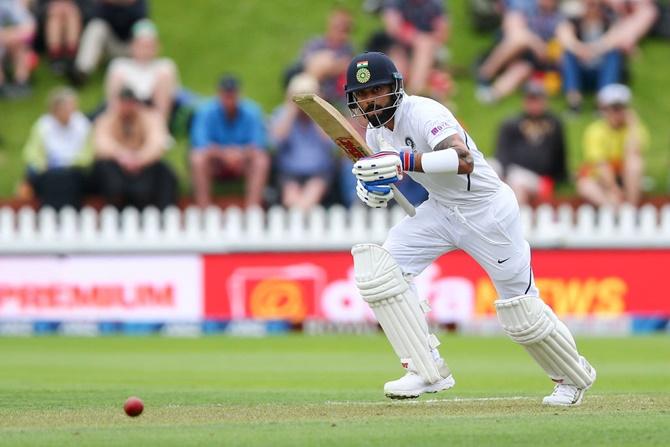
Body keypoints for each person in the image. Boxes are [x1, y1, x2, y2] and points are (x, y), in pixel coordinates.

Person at [345, 51, 596, 405]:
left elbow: (461, 161)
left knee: (520, 308)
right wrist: (375, 188)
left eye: (377, 91)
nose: (370, 101)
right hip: (440, 210)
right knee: (379, 272)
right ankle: (425, 369)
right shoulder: (375, 135)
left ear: (395, 89)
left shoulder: (423, 112)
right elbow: (394, 180)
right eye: (363, 95)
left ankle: (573, 378)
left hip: (487, 211)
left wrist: (402, 161)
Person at [189, 75, 269, 208]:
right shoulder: (205, 111)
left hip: (242, 162)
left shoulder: (252, 111)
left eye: (232, 95)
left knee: (261, 160)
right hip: (216, 162)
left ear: (239, 94)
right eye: (226, 95)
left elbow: (259, 143)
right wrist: (224, 154)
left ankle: (253, 208)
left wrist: (239, 154)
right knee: (197, 158)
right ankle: (203, 208)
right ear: (219, 94)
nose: (229, 100)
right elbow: (199, 142)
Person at [92, 86, 177, 209]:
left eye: (130, 103)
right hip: (116, 164)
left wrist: (139, 158)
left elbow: (157, 141)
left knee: (166, 174)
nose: (127, 106)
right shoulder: (106, 118)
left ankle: (163, 214)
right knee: (107, 173)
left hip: (143, 164)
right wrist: (122, 155)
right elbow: (101, 142)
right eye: (124, 102)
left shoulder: (150, 117)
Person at [492, 81, 567, 205]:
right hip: (511, 171)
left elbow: (559, 155)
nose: (534, 104)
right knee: (491, 166)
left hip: (539, 179)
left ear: (545, 101)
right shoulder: (511, 124)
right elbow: (501, 153)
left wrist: (560, 178)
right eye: (531, 99)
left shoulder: (554, 124)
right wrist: (505, 172)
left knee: (517, 179)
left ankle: (519, 221)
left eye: (537, 99)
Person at [269, 73, 336, 211]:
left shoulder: (324, 116)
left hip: (319, 173)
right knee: (291, 198)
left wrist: (315, 112)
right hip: (289, 173)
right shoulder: (283, 114)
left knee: (311, 194)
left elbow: (331, 145)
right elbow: (274, 143)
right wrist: (291, 110)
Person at [476, 0, 563, 103]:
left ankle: (493, 94)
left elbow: (560, 42)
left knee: (524, 68)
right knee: (520, 37)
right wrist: (535, 42)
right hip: (510, 47)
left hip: (533, 58)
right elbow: (511, 27)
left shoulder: (558, 18)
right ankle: (484, 75)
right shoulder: (526, 6)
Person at [577, 83, 647, 207]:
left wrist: (632, 126)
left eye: (621, 108)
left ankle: (631, 208)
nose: (617, 113)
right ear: (605, 109)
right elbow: (600, 165)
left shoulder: (635, 129)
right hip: (603, 180)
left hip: (626, 179)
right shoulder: (594, 131)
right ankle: (616, 211)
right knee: (585, 186)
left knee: (635, 163)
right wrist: (614, 189)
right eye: (614, 108)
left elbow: (634, 153)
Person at [23, 87, 92, 209]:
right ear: (55, 109)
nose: (70, 111)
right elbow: (31, 153)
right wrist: (43, 165)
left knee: (67, 179)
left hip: (74, 171)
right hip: (48, 170)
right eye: (66, 108)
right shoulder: (43, 125)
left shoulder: (82, 124)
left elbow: (88, 154)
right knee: (50, 179)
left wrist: (68, 164)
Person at [104, 18, 179, 122]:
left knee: (164, 75)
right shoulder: (120, 65)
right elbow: (112, 98)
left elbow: (174, 95)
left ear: (158, 46)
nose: (145, 50)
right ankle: (115, 126)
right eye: (141, 45)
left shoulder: (165, 65)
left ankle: (160, 128)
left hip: (154, 111)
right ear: (132, 45)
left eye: (149, 45)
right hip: (127, 106)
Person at [556, 0, 624, 112]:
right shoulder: (573, 20)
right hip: (581, 70)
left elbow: (614, 39)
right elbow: (565, 39)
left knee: (613, 55)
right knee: (568, 55)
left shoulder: (609, 19)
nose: (592, 8)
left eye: (595, 5)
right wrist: (580, 49)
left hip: (601, 69)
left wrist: (593, 50)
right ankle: (574, 101)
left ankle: (602, 102)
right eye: (589, 4)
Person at [70, 0, 148, 85]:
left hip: (130, 46)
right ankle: (82, 70)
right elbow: (93, 17)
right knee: (96, 26)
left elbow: (141, 17)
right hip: (110, 45)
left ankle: (143, 69)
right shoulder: (104, 5)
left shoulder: (138, 3)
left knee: (144, 29)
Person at [381, 0, 448, 95]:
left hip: (428, 48)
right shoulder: (396, 2)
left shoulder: (435, 3)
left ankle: (415, 91)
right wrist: (416, 38)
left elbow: (442, 32)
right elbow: (393, 27)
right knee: (399, 66)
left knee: (425, 46)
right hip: (400, 46)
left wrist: (425, 40)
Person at [298, 7, 355, 106]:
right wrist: (336, 66)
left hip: (339, 99)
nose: (341, 33)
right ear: (330, 26)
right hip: (315, 91)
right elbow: (309, 69)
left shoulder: (349, 49)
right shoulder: (315, 44)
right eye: (338, 27)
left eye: (346, 29)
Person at [0, 0, 36, 98]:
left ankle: (21, 83)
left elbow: (29, 25)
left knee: (20, 46)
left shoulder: (9, 3)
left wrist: (11, 35)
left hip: (8, 41)